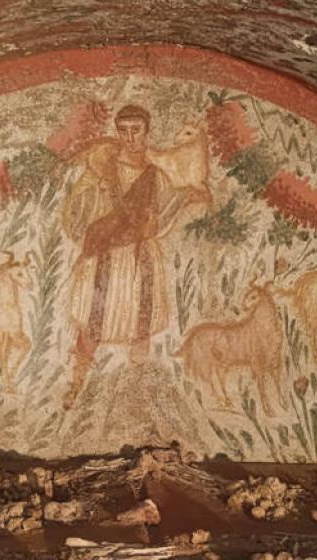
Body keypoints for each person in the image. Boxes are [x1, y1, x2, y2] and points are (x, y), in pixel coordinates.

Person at [60, 104, 208, 408]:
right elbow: (77, 211)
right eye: (123, 131)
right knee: (93, 321)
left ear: (146, 131)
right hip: (104, 255)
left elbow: (164, 211)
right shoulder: (101, 169)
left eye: (136, 130)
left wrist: (187, 198)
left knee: (142, 321)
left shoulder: (155, 173)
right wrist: (96, 193)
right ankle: (76, 384)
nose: (129, 138)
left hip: (140, 257)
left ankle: (136, 391)